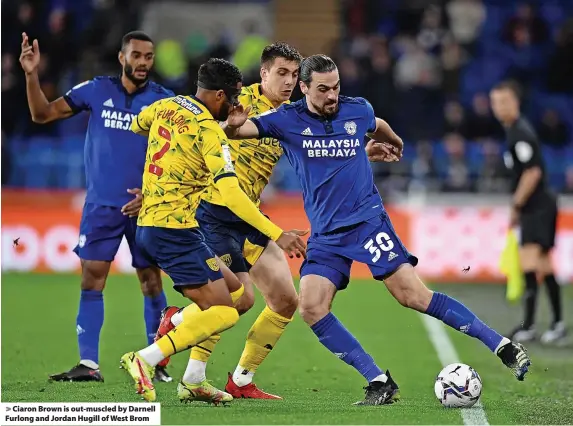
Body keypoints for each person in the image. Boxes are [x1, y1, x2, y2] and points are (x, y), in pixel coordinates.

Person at [223, 54, 532, 406]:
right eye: (322, 89)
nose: (331, 96)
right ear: (304, 88)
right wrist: (233, 125)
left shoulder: (357, 110)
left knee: (412, 296)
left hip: (368, 223)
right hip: (326, 235)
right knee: (310, 307)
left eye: (336, 87)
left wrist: (394, 142)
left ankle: (502, 346)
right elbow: (240, 131)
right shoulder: (285, 120)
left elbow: (378, 123)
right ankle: (378, 381)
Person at [153, 43, 398, 400]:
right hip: (215, 211)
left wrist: (363, 152)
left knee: (285, 301)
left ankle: (240, 380)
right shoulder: (239, 104)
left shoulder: (296, 114)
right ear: (263, 73)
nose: (288, 81)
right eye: (280, 73)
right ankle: (182, 340)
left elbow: (323, 150)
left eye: (294, 75)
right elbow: (194, 134)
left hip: (250, 215)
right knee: (235, 299)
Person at [119, 58, 306, 404]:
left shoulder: (165, 105)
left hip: (166, 222)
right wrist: (278, 232)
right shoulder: (210, 130)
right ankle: (147, 357)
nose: (235, 107)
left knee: (243, 295)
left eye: (295, 75)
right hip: (191, 223)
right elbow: (232, 193)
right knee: (225, 309)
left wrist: (155, 182)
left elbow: (136, 126)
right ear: (222, 94)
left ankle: (192, 368)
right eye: (283, 73)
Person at [20, 30, 174, 382]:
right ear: (122, 57)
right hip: (102, 206)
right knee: (92, 280)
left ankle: (155, 361)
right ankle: (89, 365)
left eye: (148, 57)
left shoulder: (164, 103)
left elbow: (179, 156)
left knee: (151, 281)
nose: (143, 63)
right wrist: (31, 74)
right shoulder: (96, 90)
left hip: (146, 207)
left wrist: (154, 194)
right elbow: (42, 114)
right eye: (136, 55)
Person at [490, 81, 565, 344]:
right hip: (539, 206)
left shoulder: (520, 133)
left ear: (516, 102)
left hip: (538, 206)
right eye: (495, 102)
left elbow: (533, 172)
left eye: (504, 102)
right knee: (543, 264)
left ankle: (531, 325)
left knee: (530, 262)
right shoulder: (514, 132)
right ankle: (556, 324)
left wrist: (517, 205)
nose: (499, 108)